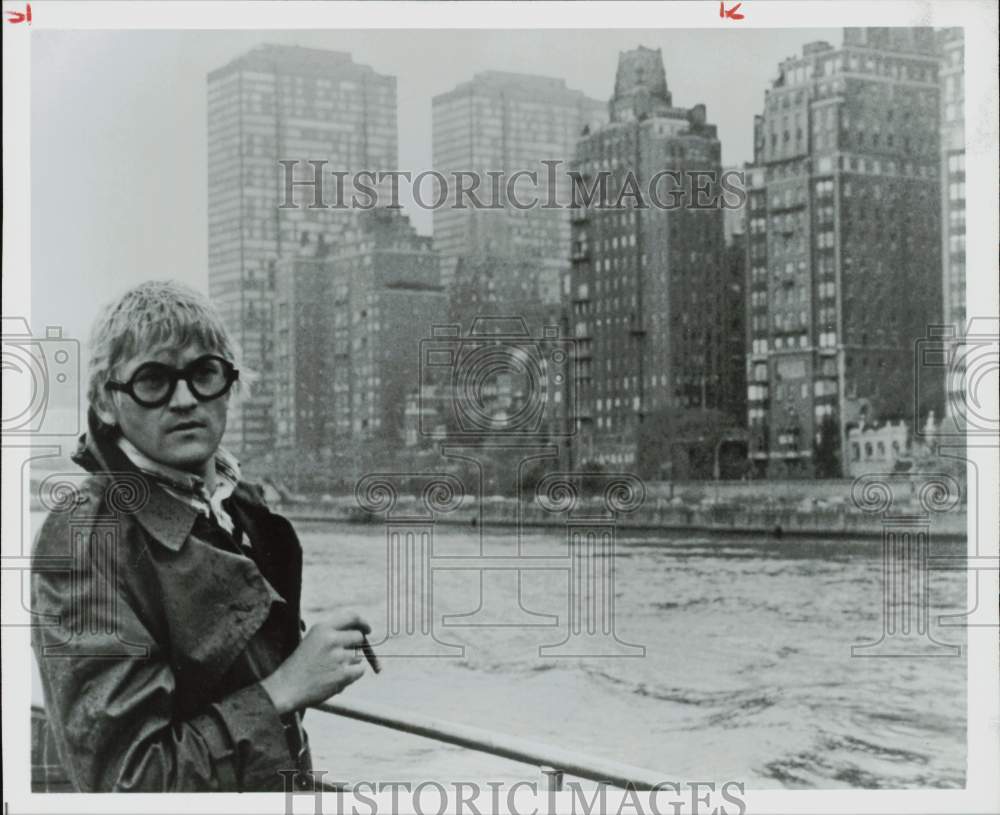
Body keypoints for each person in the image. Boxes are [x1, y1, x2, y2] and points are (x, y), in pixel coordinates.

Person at [31, 280, 372, 792]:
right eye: (153, 381)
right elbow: (130, 784)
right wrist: (284, 688)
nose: (186, 398)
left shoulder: (242, 511)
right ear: (105, 402)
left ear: (231, 383)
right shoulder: (84, 539)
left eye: (204, 372)